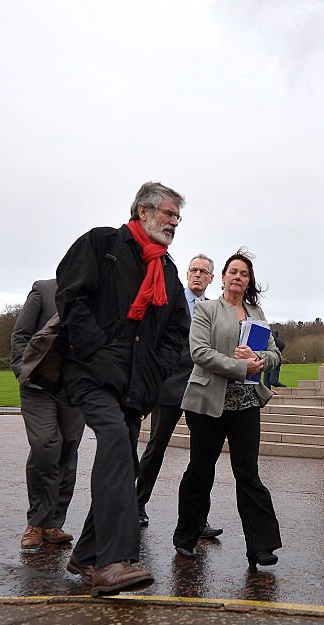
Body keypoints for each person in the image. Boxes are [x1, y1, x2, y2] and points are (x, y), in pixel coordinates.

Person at [56, 181, 188, 596]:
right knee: (115, 442)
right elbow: (71, 298)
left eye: (178, 217)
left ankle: (87, 553)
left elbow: (177, 331)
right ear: (143, 211)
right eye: (169, 214)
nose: (174, 222)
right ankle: (113, 562)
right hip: (91, 373)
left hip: (135, 385)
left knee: (123, 463)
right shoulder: (101, 244)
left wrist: (154, 371)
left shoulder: (167, 270)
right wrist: (97, 350)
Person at [173, 250, 282, 570]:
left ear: (249, 281)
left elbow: (274, 353)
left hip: (246, 404)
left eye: (244, 273)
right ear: (222, 278)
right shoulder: (207, 310)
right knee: (200, 469)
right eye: (232, 272)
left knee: (247, 472)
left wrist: (260, 361)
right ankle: (186, 537)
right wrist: (240, 366)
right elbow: (200, 353)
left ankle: (261, 546)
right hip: (208, 403)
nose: (238, 277)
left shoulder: (256, 311)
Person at [135, 253, 223, 541]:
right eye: (193, 270)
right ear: (187, 274)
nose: (197, 275)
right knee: (156, 448)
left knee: (203, 457)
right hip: (170, 386)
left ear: (212, 278)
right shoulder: (172, 300)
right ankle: (137, 505)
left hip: (201, 387)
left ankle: (198, 519)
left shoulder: (213, 309)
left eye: (203, 272)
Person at [11, 279, 86, 552]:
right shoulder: (43, 289)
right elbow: (20, 334)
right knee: (45, 444)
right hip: (38, 386)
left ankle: (54, 523)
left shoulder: (100, 297)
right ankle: (36, 522)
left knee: (68, 448)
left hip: (74, 389)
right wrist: (23, 370)